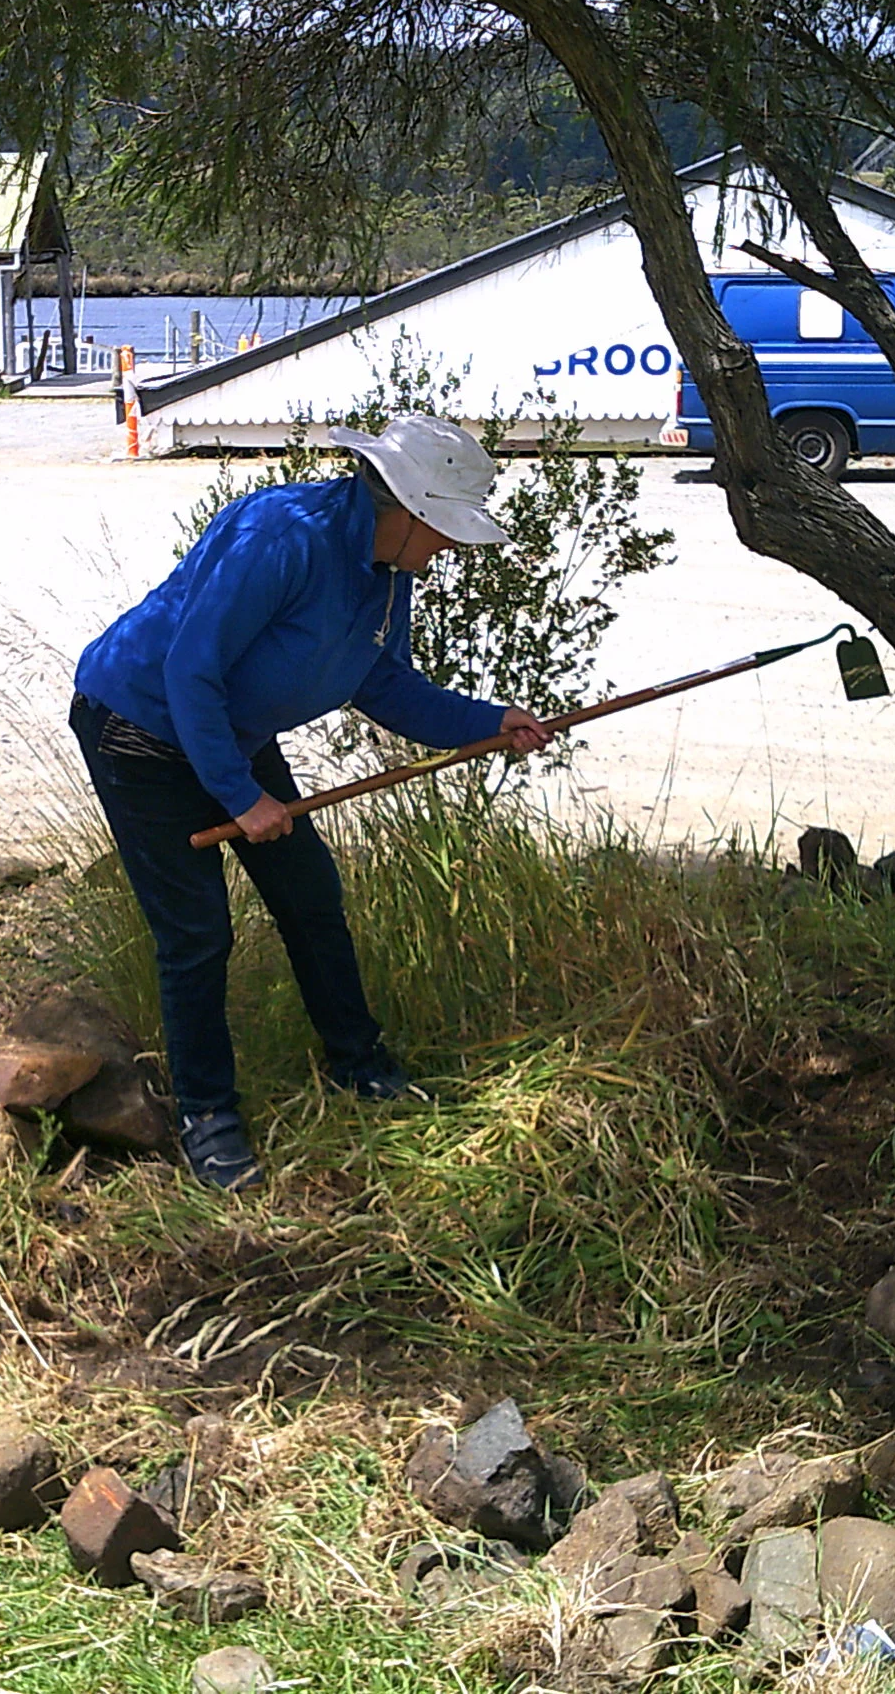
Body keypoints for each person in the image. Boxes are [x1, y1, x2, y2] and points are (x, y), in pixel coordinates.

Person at [70, 414, 553, 1191]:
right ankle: (207, 1115)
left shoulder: (385, 578)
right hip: (143, 728)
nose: (452, 550)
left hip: (228, 729)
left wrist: (486, 720)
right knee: (197, 933)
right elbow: (191, 667)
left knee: (309, 893)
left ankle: (357, 1063)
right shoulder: (282, 536)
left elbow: (383, 684)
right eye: (445, 530)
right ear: (406, 507)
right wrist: (239, 794)